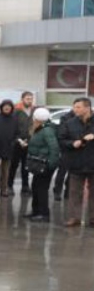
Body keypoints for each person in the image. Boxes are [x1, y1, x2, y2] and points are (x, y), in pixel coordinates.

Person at [57, 96, 94, 227]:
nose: (75, 109)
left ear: (87, 108)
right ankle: (74, 217)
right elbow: (61, 140)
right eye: (74, 107)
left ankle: (93, 218)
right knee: (74, 192)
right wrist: (72, 143)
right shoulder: (70, 123)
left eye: (78, 107)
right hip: (76, 162)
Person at [26, 107, 61, 222]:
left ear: (36, 118)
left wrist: (50, 164)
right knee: (35, 187)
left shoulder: (47, 130)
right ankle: (36, 211)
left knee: (41, 189)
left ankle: (44, 214)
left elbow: (54, 148)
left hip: (45, 164)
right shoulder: (40, 128)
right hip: (39, 162)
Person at [10, 91, 36, 195]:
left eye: (31, 99)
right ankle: (9, 186)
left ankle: (25, 186)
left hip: (30, 142)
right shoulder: (16, 112)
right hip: (17, 143)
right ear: (22, 99)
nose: (29, 101)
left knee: (26, 166)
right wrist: (19, 140)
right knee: (14, 165)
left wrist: (30, 140)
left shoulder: (35, 112)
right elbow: (13, 128)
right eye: (27, 99)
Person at [0, 100, 18, 197]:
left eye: (9, 106)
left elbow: (17, 133)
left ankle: (3, 189)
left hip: (8, 148)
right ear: (1, 107)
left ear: (11, 108)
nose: (7, 108)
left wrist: (13, 142)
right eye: (5, 106)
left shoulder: (14, 119)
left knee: (5, 171)